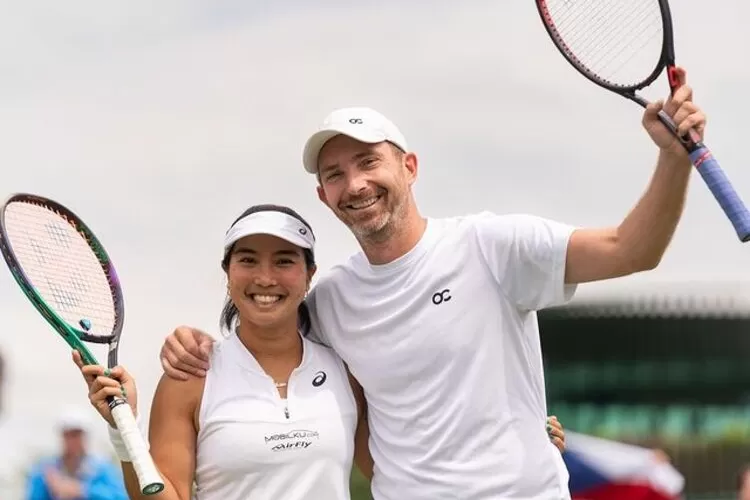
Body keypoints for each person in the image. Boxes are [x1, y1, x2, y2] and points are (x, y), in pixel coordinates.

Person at [159, 67, 705, 499]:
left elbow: (631, 250)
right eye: (334, 175)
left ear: (410, 167)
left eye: (368, 161)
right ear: (324, 197)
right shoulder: (329, 301)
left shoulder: (493, 246)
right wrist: (191, 340)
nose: (355, 183)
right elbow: (266, 327)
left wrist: (672, 160)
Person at [74, 204, 371, 500]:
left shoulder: (346, 372)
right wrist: (124, 429)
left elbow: (391, 474)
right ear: (227, 273)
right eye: (248, 260)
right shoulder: (189, 379)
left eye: (284, 261)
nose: (265, 278)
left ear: (310, 275)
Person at [25, 407, 128, 500]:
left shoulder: (102, 469)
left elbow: (119, 496)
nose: (72, 441)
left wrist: (81, 490)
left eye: (76, 435)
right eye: (68, 435)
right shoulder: (46, 470)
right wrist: (51, 488)